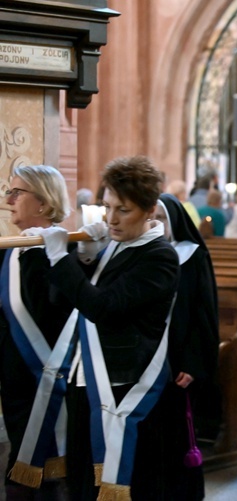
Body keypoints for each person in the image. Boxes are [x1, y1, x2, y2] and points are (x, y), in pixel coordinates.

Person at [33, 155, 181, 499]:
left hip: (123, 384)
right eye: (107, 206)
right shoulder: (116, 245)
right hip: (85, 378)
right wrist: (83, 256)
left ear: (149, 211)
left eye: (123, 210)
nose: (111, 219)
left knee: (122, 482)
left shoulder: (159, 256)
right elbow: (63, 300)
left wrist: (59, 258)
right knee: (83, 476)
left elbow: (104, 308)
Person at [0, 165, 75, 499]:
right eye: (9, 191)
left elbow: (50, 314)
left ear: (44, 204)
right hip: (15, 383)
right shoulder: (12, 249)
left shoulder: (61, 253)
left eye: (17, 192)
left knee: (43, 479)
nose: (8, 199)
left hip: (45, 382)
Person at [154, 193, 220, 499]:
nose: (154, 224)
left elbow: (202, 313)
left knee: (178, 434)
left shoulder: (192, 255)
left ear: (174, 221)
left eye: (160, 218)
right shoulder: (143, 255)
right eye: (149, 218)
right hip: (146, 363)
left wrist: (193, 363)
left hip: (179, 362)